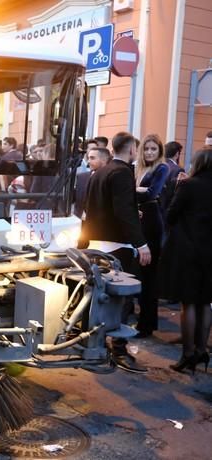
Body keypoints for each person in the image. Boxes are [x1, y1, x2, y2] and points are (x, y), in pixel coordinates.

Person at [81, 131, 151, 373]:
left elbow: (93, 207)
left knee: (100, 298)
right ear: (131, 148)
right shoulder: (122, 172)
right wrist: (141, 243)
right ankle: (118, 349)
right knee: (122, 299)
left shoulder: (100, 171)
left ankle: (96, 344)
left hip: (96, 242)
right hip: (117, 245)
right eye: (137, 149)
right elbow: (122, 211)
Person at [160, 149, 212, 373]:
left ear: (198, 163)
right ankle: (202, 350)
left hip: (189, 249)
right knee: (206, 302)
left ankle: (188, 354)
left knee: (188, 302)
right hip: (211, 251)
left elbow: (170, 215)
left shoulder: (189, 185)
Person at [133, 134, 168, 338]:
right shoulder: (139, 168)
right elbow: (142, 193)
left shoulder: (162, 168)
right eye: (147, 149)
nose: (149, 152)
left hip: (152, 221)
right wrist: (139, 190)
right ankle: (141, 320)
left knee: (149, 275)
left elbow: (152, 193)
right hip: (140, 217)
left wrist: (134, 189)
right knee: (139, 272)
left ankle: (147, 325)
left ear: (160, 151)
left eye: (154, 149)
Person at [74, 146, 110, 219]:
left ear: (104, 160)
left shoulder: (111, 179)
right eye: (88, 158)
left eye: (92, 158)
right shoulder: (81, 177)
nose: (88, 161)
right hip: (79, 224)